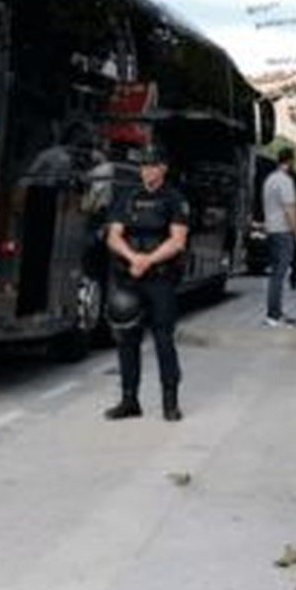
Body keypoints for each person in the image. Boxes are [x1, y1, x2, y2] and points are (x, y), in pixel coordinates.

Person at [102, 146, 190, 422]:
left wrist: (148, 260)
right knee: (126, 337)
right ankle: (129, 400)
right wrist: (133, 258)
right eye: (144, 166)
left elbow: (178, 240)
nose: (147, 170)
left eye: (152, 166)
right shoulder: (127, 196)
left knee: (164, 339)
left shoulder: (174, 199)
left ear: (163, 169)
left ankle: (170, 403)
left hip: (160, 278)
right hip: (129, 275)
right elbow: (114, 235)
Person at [261, 148, 296, 326]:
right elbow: (289, 209)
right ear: (290, 161)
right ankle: (274, 314)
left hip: (271, 230)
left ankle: (274, 312)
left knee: (275, 274)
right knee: (280, 274)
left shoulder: (269, 180)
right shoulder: (285, 181)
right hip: (283, 232)